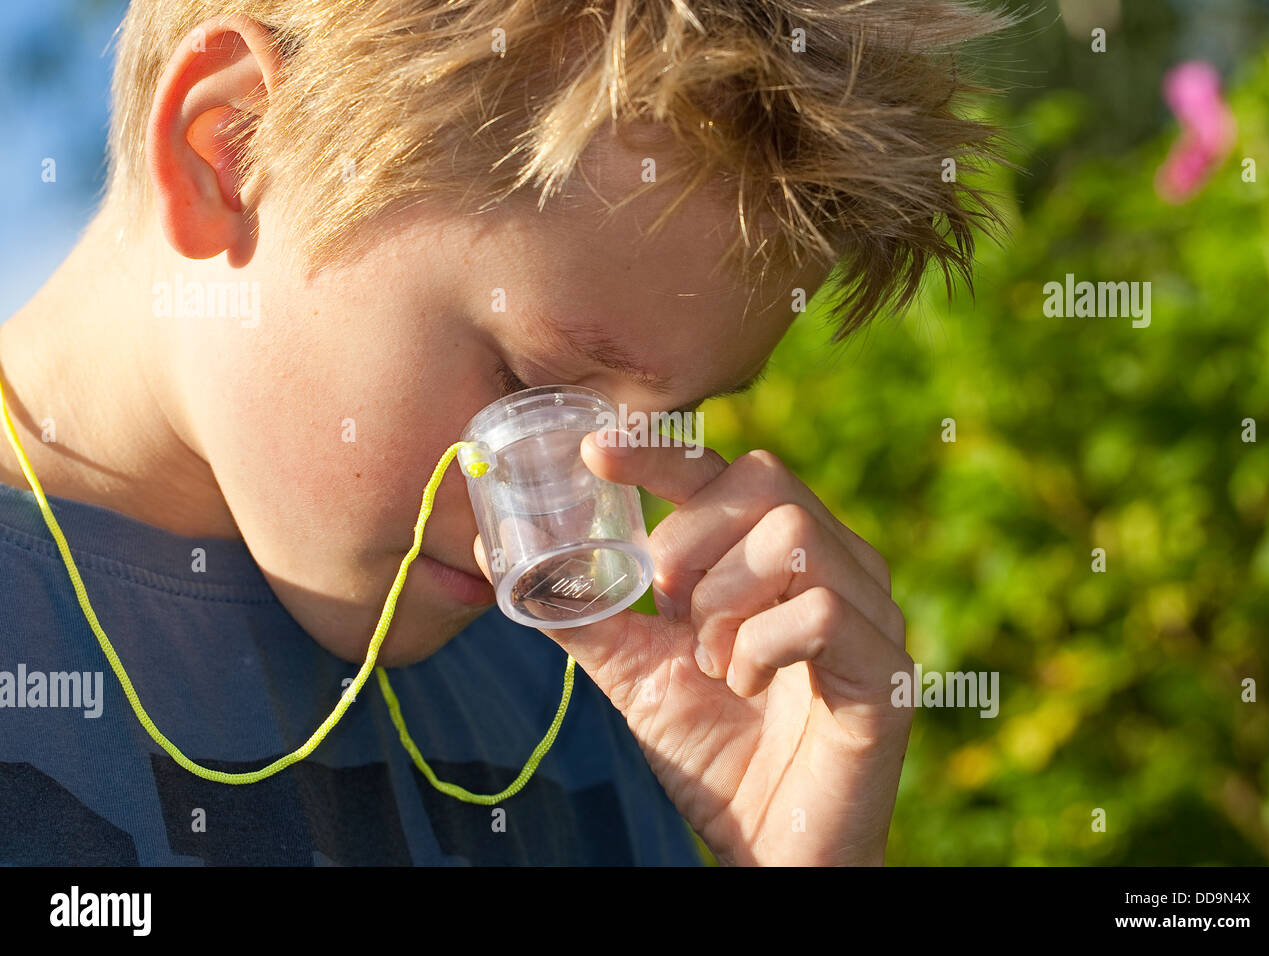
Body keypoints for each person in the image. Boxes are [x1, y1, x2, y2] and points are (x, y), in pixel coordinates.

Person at [0, 0, 1011, 865]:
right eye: (534, 385)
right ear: (230, 149)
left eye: (671, 425)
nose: (574, 514)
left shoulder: (592, 711)